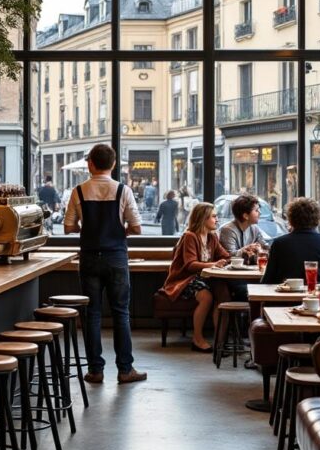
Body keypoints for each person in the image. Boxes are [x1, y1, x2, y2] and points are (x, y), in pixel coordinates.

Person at [63, 144, 146, 384]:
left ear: (90, 163)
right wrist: (121, 231)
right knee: (121, 313)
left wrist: (88, 230)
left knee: (92, 315)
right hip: (116, 257)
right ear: (113, 164)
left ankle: (96, 371)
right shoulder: (123, 190)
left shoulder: (78, 191)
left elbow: (69, 227)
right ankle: (125, 369)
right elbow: (137, 228)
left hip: (89, 257)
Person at [161, 203, 230, 352]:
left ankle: (220, 341)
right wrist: (214, 264)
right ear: (203, 218)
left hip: (205, 278)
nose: (217, 219)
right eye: (213, 216)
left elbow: (226, 256)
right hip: (185, 279)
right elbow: (190, 265)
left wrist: (240, 254)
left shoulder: (212, 237)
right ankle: (197, 339)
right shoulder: (189, 236)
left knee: (223, 294)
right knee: (206, 297)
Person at [261, 198, 320, 285]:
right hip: (319, 296)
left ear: (290, 219)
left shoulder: (279, 244)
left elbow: (268, 279)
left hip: (287, 296)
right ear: (318, 219)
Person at [218, 194, 269, 300]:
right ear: (245, 216)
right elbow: (228, 256)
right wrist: (246, 250)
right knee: (253, 291)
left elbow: (265, 249)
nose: (260, 213)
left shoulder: (254, 228)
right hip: (233, 277)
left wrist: (260, 250)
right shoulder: (227, 230)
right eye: (256, 210)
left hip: (250, 275)